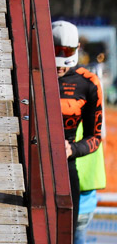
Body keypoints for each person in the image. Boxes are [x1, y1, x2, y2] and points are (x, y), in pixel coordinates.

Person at [54, 20, 103, 236]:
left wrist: (71, 150)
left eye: (63, 61)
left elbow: (95, 137)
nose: (59, 68)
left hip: (67, 168)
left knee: (67, 235)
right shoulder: (29, 72)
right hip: (29, 166)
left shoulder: (89, 82)